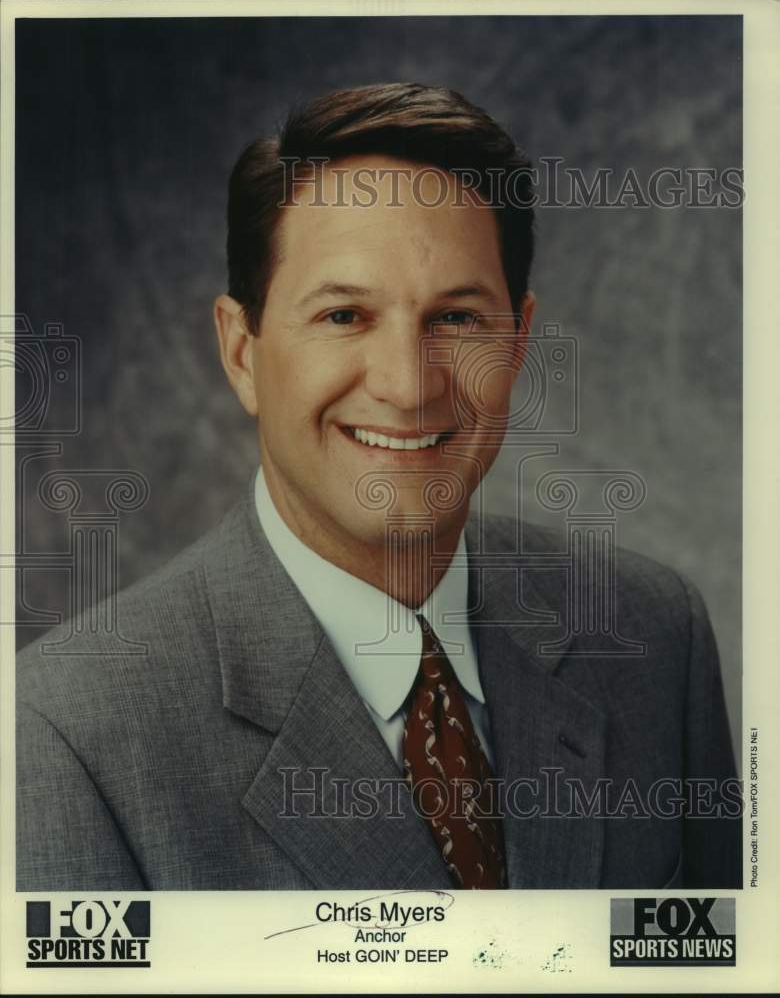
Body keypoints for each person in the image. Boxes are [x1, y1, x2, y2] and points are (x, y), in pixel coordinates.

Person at [16, 83, 741, 890]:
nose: (406, 385)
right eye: (344, 317)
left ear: (520, 341)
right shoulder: (64, 734)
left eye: (458, 319)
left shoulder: (654, 636)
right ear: (241, 351)